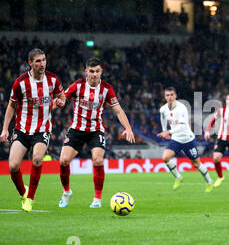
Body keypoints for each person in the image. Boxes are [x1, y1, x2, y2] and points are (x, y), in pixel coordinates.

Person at [57, 58, 135, 209]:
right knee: (63, 161)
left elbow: (118, 110)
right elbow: (63, 98)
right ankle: (66, 192)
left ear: (101, 72)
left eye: (97, 71)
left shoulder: (107, 89)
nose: (94, 74)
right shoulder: (78, 85)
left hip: (96, 130)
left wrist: (128, 128)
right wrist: (56, 103)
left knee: (98, 161)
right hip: (76, 129)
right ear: (86, 72)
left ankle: (97, 199)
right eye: (91, 71)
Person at [0, 48, 65, 212]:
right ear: (30, 63)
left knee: (37, 158)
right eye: (38, 61)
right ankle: (23, 193)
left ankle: (30, 199)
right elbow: (12, 106)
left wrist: (59, 103)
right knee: (13, 166)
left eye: (43, 60)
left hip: (42, 129)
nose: (42, 64)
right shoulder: (20, 82)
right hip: (22, 129)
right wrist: (5, 129)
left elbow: (62, 96)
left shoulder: (52, 79)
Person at [157, 87, 214, 192]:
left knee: (196, 164)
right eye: (167, 95)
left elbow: (182, 126)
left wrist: (168, 132)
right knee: (165, 157)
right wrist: (164, 131)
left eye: (171, 95)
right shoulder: (163, 109)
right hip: (176, 139)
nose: (169, 97)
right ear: (165, 97)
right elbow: (163, 118)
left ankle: (209, 182)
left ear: (175, 96)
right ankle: (178, 177)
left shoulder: (182, 108)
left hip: (188, 139)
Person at [204, 93, 229, 188]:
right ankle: (220, 177)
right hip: (221, 138)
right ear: (226, 101)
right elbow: (212, 120)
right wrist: (207, 131)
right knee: (216, 158)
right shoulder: (221, 111)